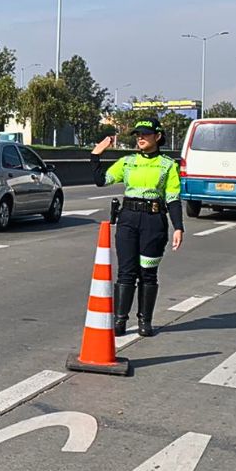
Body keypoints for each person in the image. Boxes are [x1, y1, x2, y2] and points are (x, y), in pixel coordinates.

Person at [91, 118, 185, 337]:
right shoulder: (127, 162)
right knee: (126, 272)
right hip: (128, 220)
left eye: (145, 134)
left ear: (158, 136)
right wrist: (95, 155)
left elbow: (173, 199)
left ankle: (145, 321)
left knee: (148, 273)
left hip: (154, 222)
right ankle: (120, 321)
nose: (140, 138)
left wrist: (178, 227)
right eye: (137, 135)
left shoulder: (168, 165)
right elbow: (101, 180)